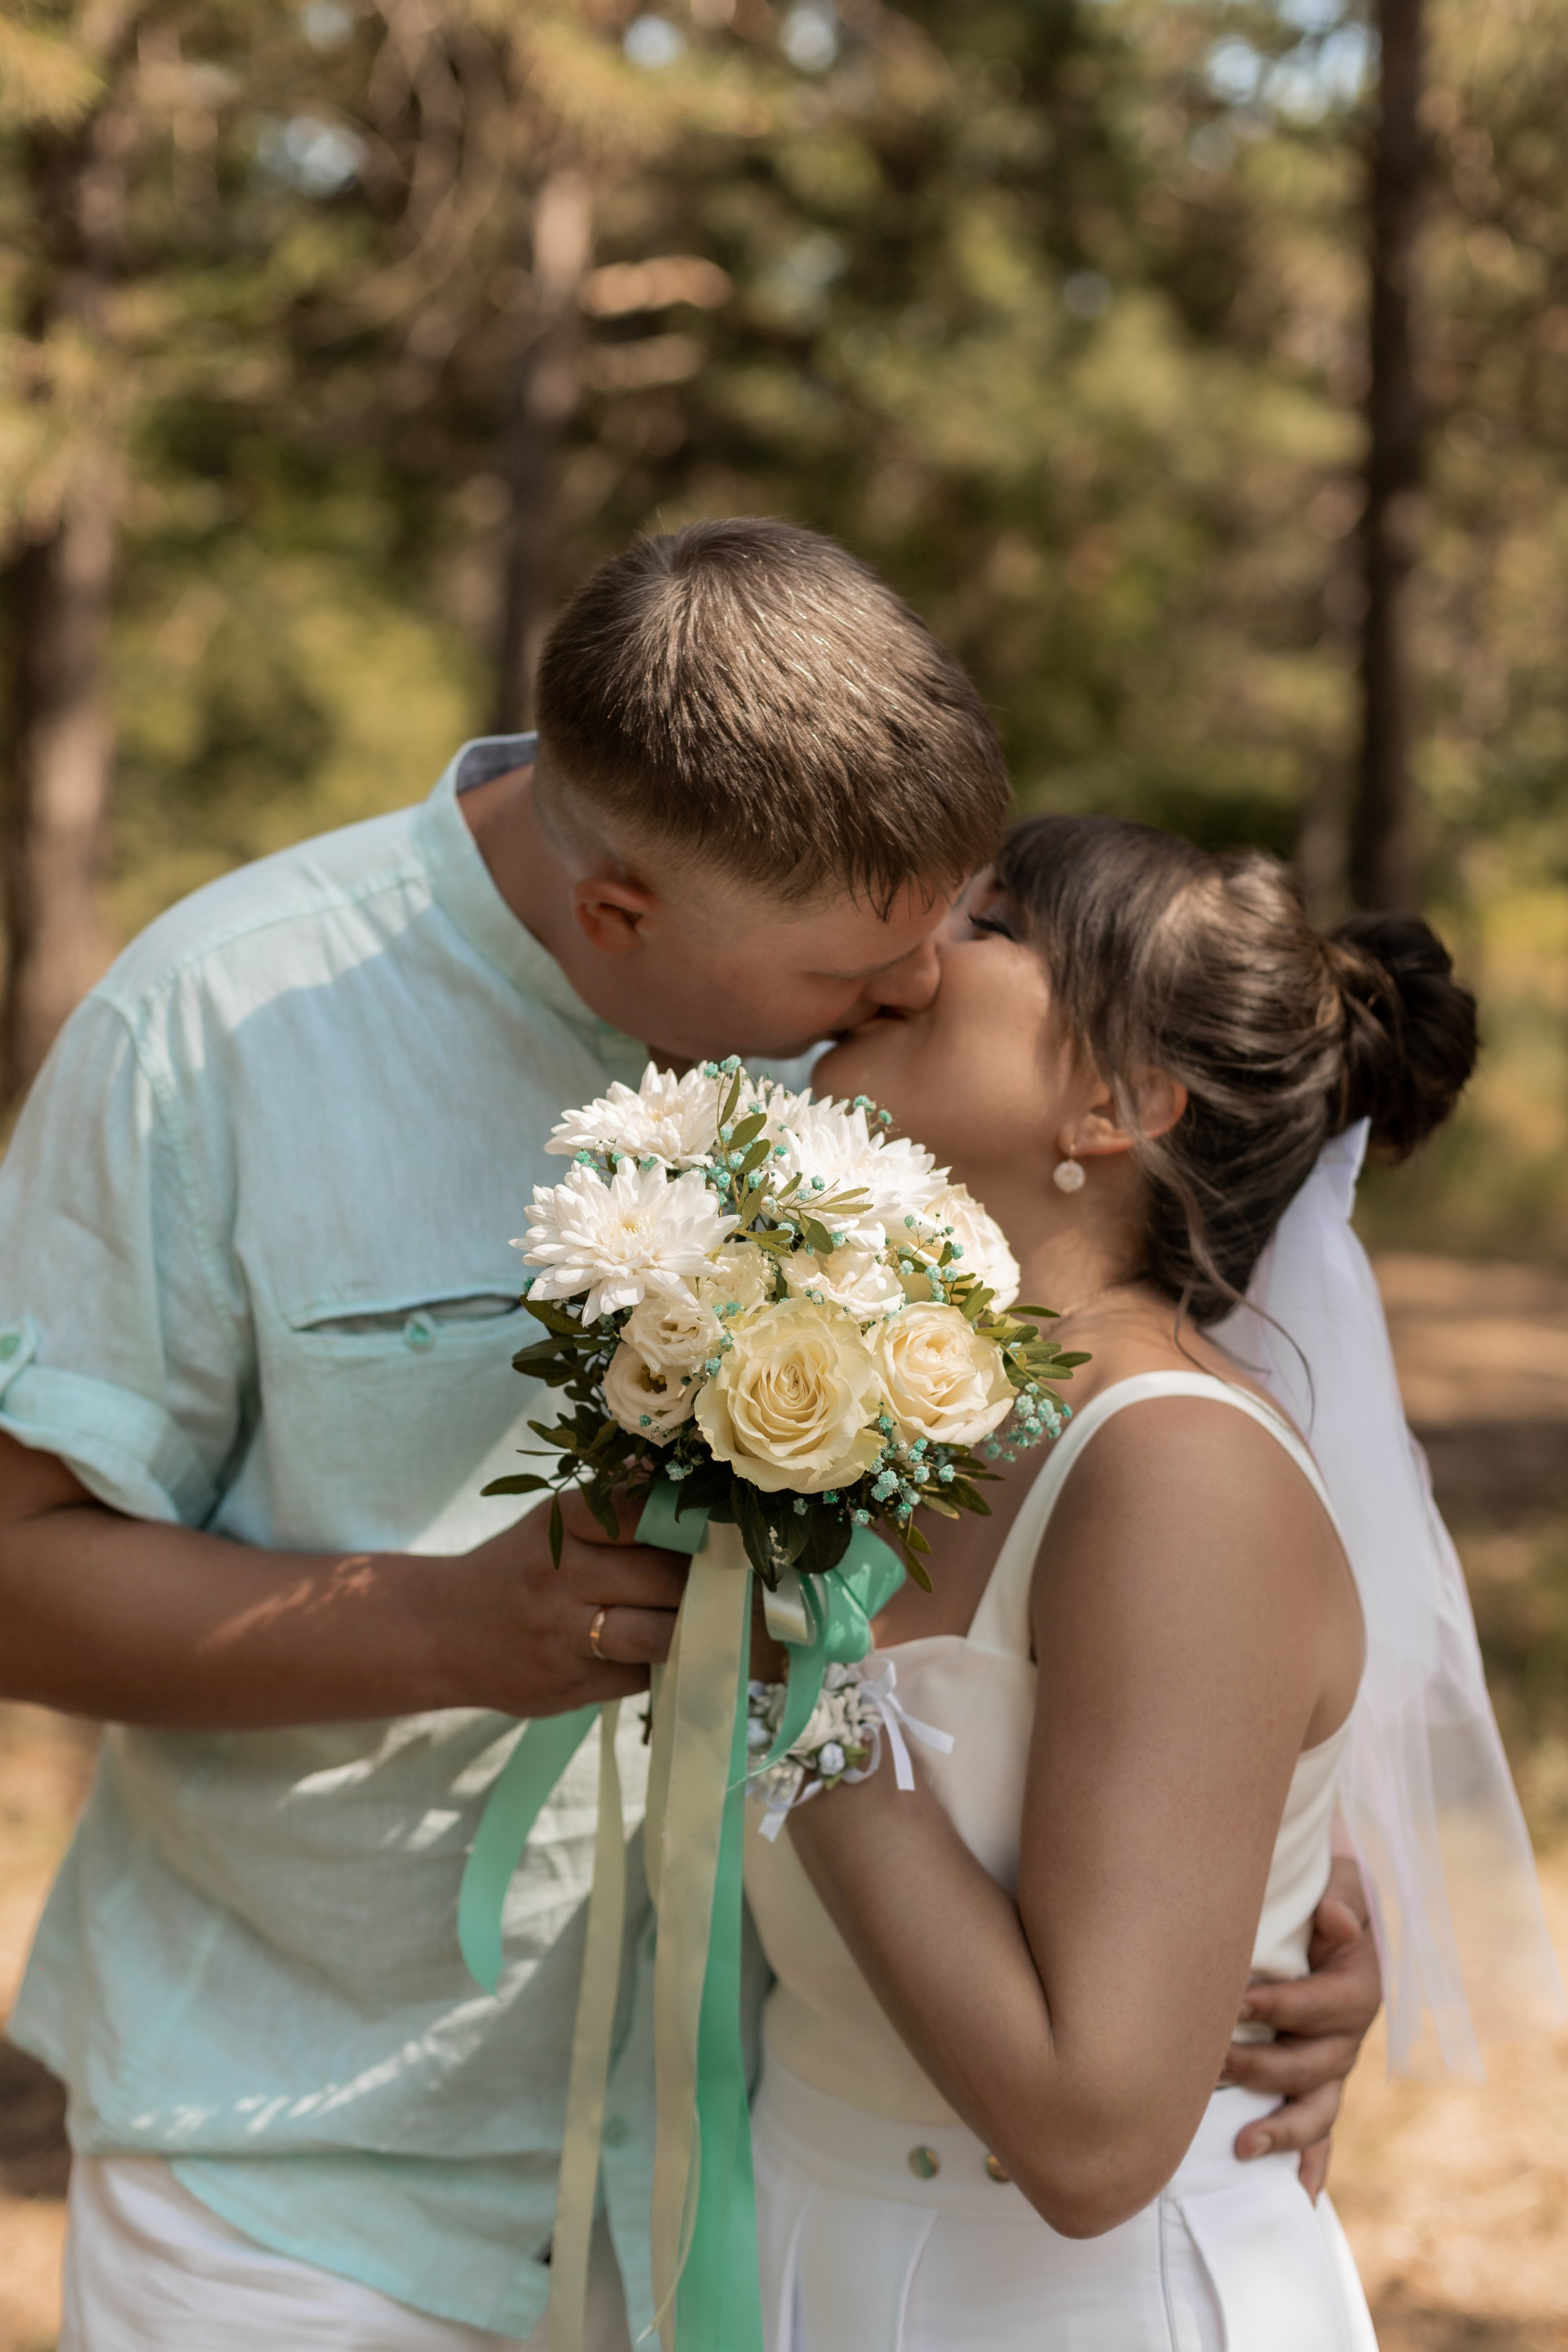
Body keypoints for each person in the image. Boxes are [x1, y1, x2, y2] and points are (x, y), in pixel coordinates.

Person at [0, 524, 1375, 2351]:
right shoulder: (218, 1027)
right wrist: (443, 1630)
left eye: (951, 930)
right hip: (317, 2181)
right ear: (621, 912)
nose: (914, 993)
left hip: (772, 2169)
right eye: (858, 978)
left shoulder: (885, 1032)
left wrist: (1258, 1908)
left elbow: (1128, 1528)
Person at [743, 815, 1490, 2351]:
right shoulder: (863, 1399)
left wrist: (781, 1682)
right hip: (795, 2241)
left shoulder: (1172, 1479)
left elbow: (1091, 2138)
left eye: (993, 926)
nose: (913, 954)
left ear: (1117, 1101)